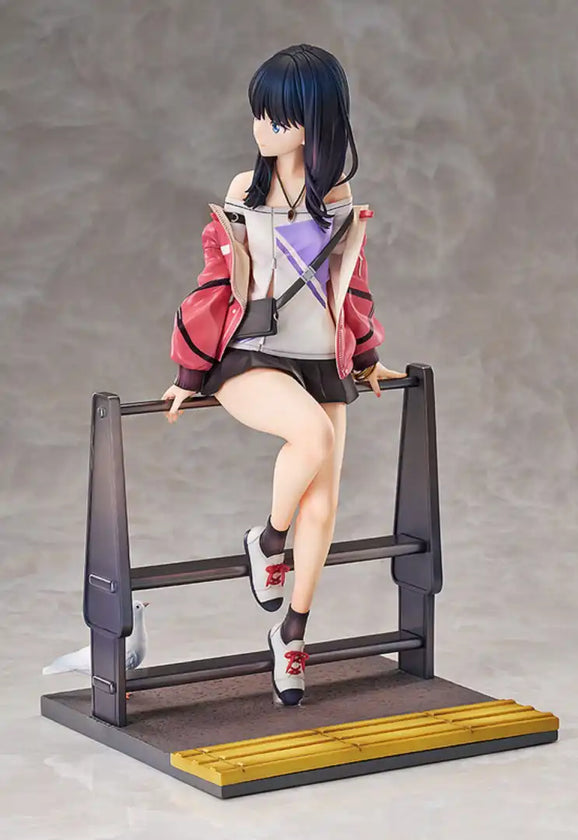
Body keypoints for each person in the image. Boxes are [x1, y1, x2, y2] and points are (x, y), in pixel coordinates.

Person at [161, 44, 406, 706]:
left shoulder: (337, 196)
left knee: (324, 504)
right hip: (252, 353)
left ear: (312, 122)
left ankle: (292, 633)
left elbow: (351, 285)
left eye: (276, 118)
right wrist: (190, 369)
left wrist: (365, 357)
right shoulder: (245, 189)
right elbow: (218, 283)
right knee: (313, 439)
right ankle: (269, 538)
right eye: (259, 115)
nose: (261, 128)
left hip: (320, 356)